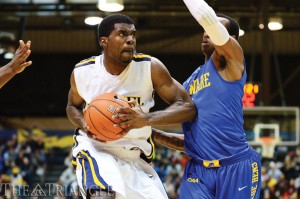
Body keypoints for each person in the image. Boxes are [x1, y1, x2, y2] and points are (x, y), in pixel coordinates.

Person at [116, 0, 262, 198]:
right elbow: (191, 142)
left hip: (236, 165)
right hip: (198, 172)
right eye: (204, 29)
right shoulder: (189, 83)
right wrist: (146, 129)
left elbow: (208, 20)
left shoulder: (232, 65)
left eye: (211, 29)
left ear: (232, 39)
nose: (205, 32)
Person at [66, 14, 196, 199]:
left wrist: (146, 119)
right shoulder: (83, 72)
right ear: (104, 41)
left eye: (133, 35)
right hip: (95, 149)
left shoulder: (150, 67)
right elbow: (72, 106)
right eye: (122, 34)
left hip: (136, 156)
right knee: (101, 194)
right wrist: (84, 124)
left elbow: (187, 107)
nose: (130, 40)